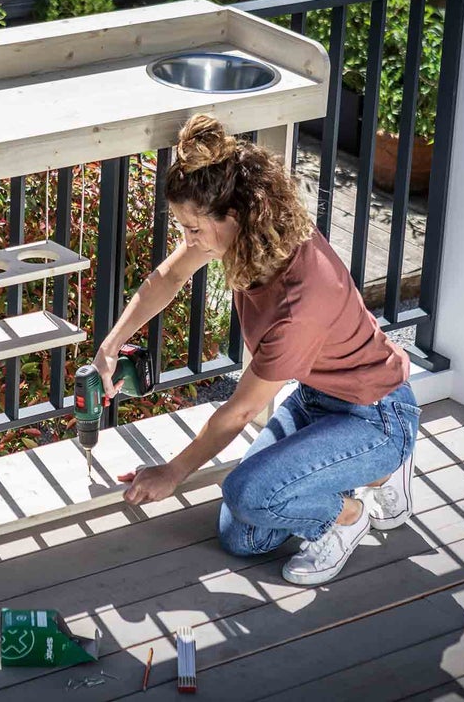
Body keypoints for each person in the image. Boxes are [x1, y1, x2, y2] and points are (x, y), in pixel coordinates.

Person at [92, 114, 420, 586]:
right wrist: (111, 345)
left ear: (235, 217)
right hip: (316, 401)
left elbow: (238, 413)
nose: (187, 240)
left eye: (193, 229)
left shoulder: (299, 301)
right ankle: (354, 475)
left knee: (249, 495)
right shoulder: (250, 241)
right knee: (242, 538)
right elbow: (168, 277)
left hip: (374, 414)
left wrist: (172, 473)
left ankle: (350, 513)